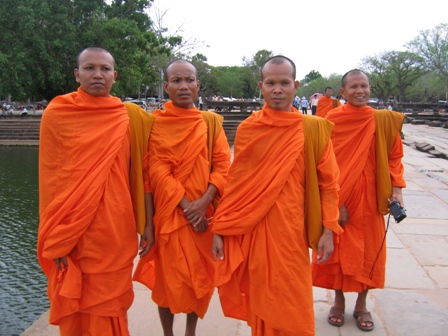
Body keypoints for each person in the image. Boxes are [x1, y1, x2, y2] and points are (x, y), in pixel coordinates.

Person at [211, 55, 342, 336]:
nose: (278, 89)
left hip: (291, 231)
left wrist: (329, 228)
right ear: (261, 86)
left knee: (293, 298)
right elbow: (235, 182)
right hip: (256, 229)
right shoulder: (249, 129)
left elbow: (329, 183)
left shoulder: (313, 129)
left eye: (284, 82)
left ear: (295, 85)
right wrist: (220, 228)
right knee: (263, 296)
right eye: (271, 83)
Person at [37, 46, 154, 336]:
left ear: (115, 75)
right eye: (89, 68)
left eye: (104, 69)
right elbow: (51, 178)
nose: (97, 74)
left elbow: (147, 170)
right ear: (77, 74)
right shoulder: (59, 112)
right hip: (72, 232)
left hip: (115, 229)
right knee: (77, 308)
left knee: (109, 306)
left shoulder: (128, 116)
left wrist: (148, 224)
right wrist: (55, 237)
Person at [133, 60, 231, 336]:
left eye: (189, 80)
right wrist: (189, 207)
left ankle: (190, 332)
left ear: (199, 85)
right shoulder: (156, 124)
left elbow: (223, 166)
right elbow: (155, 172)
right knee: (167, 282)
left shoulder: (210, 123)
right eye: (176, 81)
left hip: (204, 215)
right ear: (166, 87)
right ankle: (168, 333)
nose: (184, 86)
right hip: (170, 214)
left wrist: (204, 202)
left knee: (199, 280)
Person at [312, 69, 406, 332]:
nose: (359, 91)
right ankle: (338, 302)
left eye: (363, 86)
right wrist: (335, 203)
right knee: (338, 251)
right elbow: (324, 163)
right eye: (353, 87)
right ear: (343, 92)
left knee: (369, 252)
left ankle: (362, 305)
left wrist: (397, 189)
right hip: (341, 198)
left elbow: (394, 156)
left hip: (372, 199)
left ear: (370, 88)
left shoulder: (382, 121)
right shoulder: (332, 120)